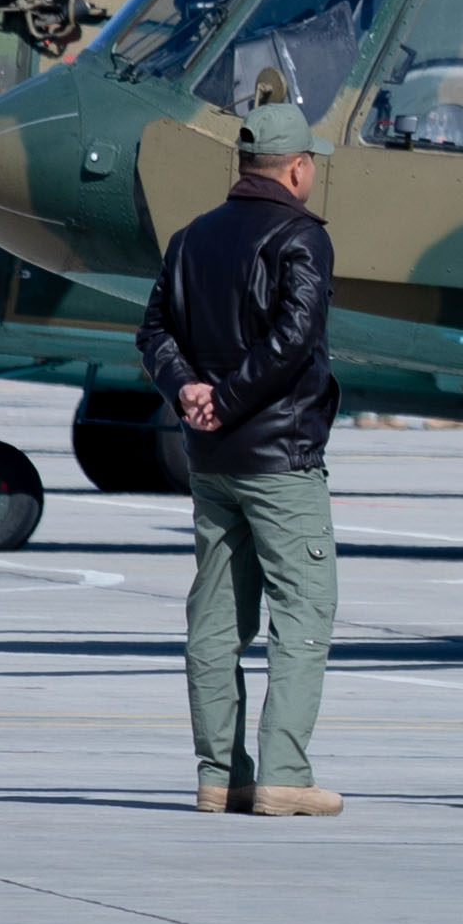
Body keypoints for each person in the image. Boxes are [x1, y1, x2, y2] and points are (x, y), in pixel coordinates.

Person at [137, 119, 342, 815]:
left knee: (217, 618)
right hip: (280, 458)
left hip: (212, 459)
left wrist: (188, 392)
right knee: (304, 610)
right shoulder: (301, 237)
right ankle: (284, 775)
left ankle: (220, 775)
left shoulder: (190, 238)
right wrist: (225, 400)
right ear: (297, 168)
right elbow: (295, 338)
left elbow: (154, 331)